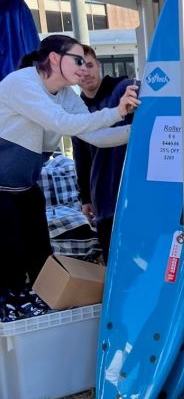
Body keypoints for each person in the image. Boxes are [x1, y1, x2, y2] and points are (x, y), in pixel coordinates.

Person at [0, 34, 139, 295]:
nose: (83, 68)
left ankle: (40, 309)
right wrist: (118, 112)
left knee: (42, 258)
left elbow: (96, 136)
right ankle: (11, 312)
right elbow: (63, 123)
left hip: (25, 188)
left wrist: (138, 129)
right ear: (54, 59)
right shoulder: (21, 83)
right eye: (77, 61)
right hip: (2, 190)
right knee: (11, 262)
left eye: (87, 63)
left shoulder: (65, 95)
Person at [72, 45, 136, 261]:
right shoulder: (76, 108)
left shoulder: (122, 90)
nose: (86, 72)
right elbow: (80, 157)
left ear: (98, 65)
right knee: (113, 259)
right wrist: (86, 198)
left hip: (132, 190)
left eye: (89, 65)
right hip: (103, 196)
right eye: (79, 68)